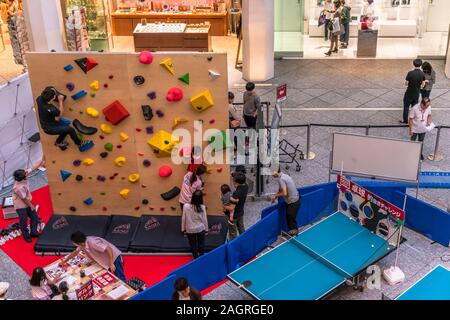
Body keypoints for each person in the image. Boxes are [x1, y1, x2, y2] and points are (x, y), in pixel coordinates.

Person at [36, 87, 92, 151]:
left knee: (64, 129)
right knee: (70, 129)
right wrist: (60, 101)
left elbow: (50, 88)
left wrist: (52, 89)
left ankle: (58, 142)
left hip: (46, 121)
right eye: (55, 95)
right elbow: (59, 115)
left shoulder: (39, 99)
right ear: (52, 98)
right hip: (50, 128)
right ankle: (79, 143)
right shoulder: (52, 109)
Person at [59, 231, 126, 282]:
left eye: (74, 242)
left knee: (121, 279)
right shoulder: (82, 245)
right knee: (113, 278)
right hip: (105, 261)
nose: (73, 244)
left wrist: (111, 263)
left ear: (79, 243)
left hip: (114, 259)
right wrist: (64, 261)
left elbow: (108, 249)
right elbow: (75, 252)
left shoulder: (93, 243)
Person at [12, 158, 45, 243]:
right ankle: (26, 235)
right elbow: (24, 199)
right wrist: (31, 205)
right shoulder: (18, 188)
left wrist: (42, 159)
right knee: (23, 221)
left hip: (27, 202)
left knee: (34, 217)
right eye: (25, 174)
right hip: (21, 206)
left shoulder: (23, 175)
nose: (27, 173)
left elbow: (33, 167)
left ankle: (34, 232)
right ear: (23, 178)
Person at [271, 170, 301, 236]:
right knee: (289, 218)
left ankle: (294, 232)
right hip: (294, 200)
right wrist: (275, 196)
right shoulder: (284, 176)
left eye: (272, 171)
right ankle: (291, 232)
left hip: (293, 202)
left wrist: (275, 195)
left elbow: (284, 193)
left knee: (290, 218)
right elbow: (281, 190)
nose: (271, 173)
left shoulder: (281, 179)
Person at [181, 190, 209, 259]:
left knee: (193, 245)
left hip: (190, 230)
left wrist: (183, 229)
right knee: (201, 245)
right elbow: (204, 219)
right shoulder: (202, 207)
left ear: (192, 197)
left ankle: (195, 258)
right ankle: (201, 258)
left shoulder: (186, 206)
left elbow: (184, 218)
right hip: (200, 229)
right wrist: (206, 229)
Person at [224, 172, 248, 240]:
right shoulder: (246, 186)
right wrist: (233, 176)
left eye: (234, 181)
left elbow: (231, 208)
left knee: (233, 233)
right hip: (240, 213)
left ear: (236, 183)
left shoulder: (236, 194)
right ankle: (244, 242)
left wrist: (224, 206)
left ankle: (233, 246)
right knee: (241, 229)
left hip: (233, 216)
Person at [401, 59, 425, 124]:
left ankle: (405, 121)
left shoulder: (410, 73)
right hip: (416, 94)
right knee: (414, 108)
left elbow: (406, 83)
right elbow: (423, 84)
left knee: (406, 107)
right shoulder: (422, 74)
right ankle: (413, 120)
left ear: (413, 64)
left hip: (409, 93)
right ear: (421, 65)